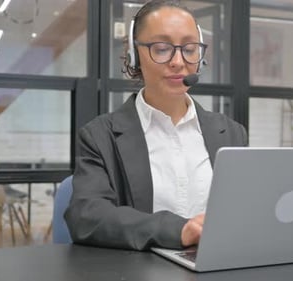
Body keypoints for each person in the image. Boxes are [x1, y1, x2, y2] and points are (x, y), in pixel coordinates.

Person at [64, 0, 247, 251]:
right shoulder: (99, 136)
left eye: (190, 48)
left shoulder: (232, 133)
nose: (178, 61)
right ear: (134, 54)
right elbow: (86, 216)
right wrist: (177, 231)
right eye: (162, 49)